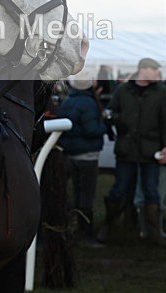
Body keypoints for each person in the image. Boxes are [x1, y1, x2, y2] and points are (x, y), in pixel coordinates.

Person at [95, 57, 166, 247]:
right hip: (127, 148)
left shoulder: (161, 92)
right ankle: (108, 226)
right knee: (119, 189)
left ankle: (154, 232)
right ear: (143, 70)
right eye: (154, 70)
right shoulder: (123, 90)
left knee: (151, 191)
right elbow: (110, 112)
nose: (157, 73)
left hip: (150, 149)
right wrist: (116, 120)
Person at [57, 68, 107, 246]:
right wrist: (105, 126)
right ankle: (86, 235)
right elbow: (92, 130)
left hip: (69, 153)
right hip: (86, 156)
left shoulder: (68, 101)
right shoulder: (89, 104)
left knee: (72, 194)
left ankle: (72, 229)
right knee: (85, 196)